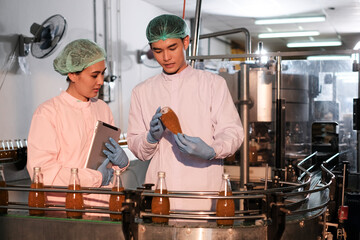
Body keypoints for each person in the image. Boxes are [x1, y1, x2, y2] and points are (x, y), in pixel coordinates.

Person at [127, 14, 244, 216]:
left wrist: (212, 150)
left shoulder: (212, 84)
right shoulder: (142, 91)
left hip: (203, 191)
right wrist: (150, 138)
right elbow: (139, 149)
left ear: (186, 42)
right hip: (160, 192)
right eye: (158, 50)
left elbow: (232, 131)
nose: (166, 57)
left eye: (172, 48)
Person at [27, 39, 129, 215]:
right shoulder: (49, 112)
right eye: (94, 75)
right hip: (66, 211)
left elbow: (107, 165)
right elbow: (44, 173)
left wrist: (122, 162)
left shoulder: (102, 109)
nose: (100, 81)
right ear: (73, 75)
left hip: (103, 208)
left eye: (102, 74)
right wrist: (96, 178)